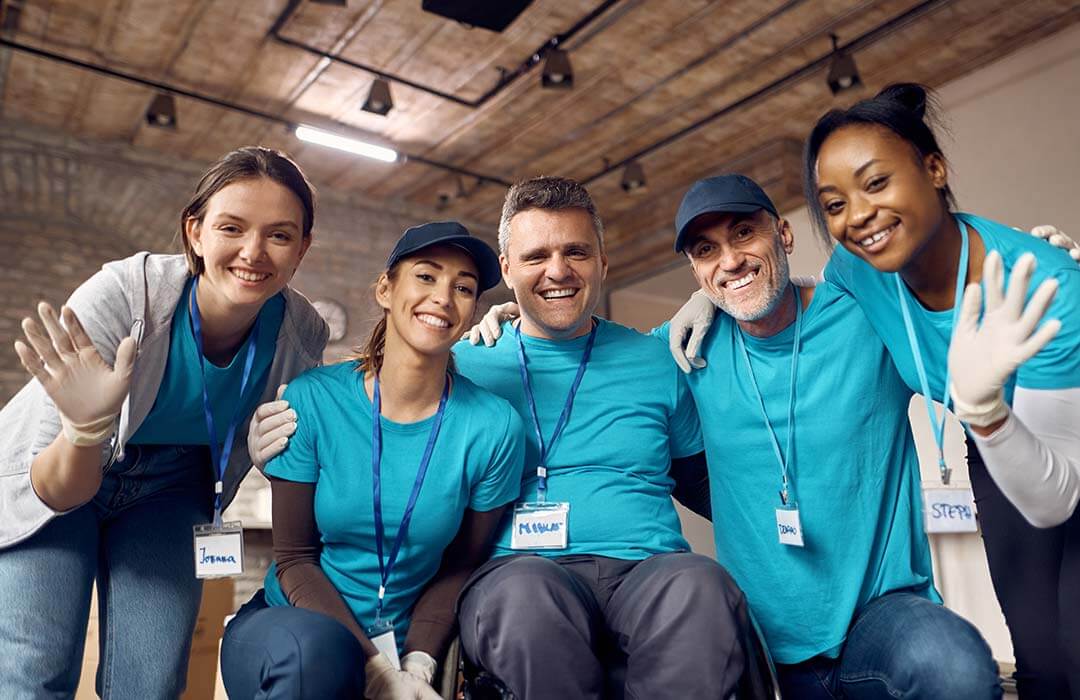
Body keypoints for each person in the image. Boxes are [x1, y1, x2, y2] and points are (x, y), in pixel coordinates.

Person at [473, 174, 1003, 698]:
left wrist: (1028, 261)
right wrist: (496, 322)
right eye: (708, 251)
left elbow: (957, 324)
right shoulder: (678, 351)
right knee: (534, 600)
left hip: (876, 616)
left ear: (784, 234)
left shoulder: (856, 320)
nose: (729, 261)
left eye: (745, 235)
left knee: (954, 670)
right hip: (761, 631)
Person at [0, 146, 328, 698]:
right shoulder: (124, 295)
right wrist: (83, 432)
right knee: (34, 674)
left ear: (302, 249)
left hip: (175, 489)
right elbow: (59, 489)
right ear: (194, 232)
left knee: (150, 684)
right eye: (232, 227)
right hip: (59, 473)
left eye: (279, 235)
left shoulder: (301, 332)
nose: (254, 252)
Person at [804, 83, 1080, 698]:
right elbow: (806, 305)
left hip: (1061, 452)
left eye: (876, 184)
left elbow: (1055, 498)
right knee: (1043, 665)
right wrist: (720, 296)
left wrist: (981, 408)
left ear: (933, 168)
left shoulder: (1049, 287)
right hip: (999, 452)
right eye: (834, 203)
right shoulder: (858, 269)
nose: (858, 216)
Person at [220, 222, 525, 699]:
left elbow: (461, 564)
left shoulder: (494, 427)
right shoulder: (314, 400)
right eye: (426, 276)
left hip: (411, 645)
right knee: (318, 658)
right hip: (293, 630)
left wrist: (418, 664)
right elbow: (295, 558)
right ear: (386, 288)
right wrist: (375, 670)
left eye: (463, 287)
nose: (443, 297)